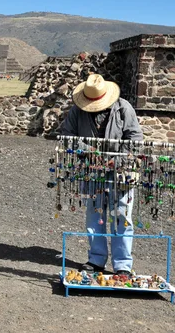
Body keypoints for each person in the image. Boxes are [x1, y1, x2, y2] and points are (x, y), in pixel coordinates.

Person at [60, 74, 143, 276]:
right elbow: (67, 136)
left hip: (121, 173)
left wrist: (119, 159)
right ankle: (96, 260)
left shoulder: (124, 108)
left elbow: (135, 137)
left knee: (122, 216)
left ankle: (123, 265)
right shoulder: (77, 111)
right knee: (94, 215)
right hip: (91, 172)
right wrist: (88, 151)